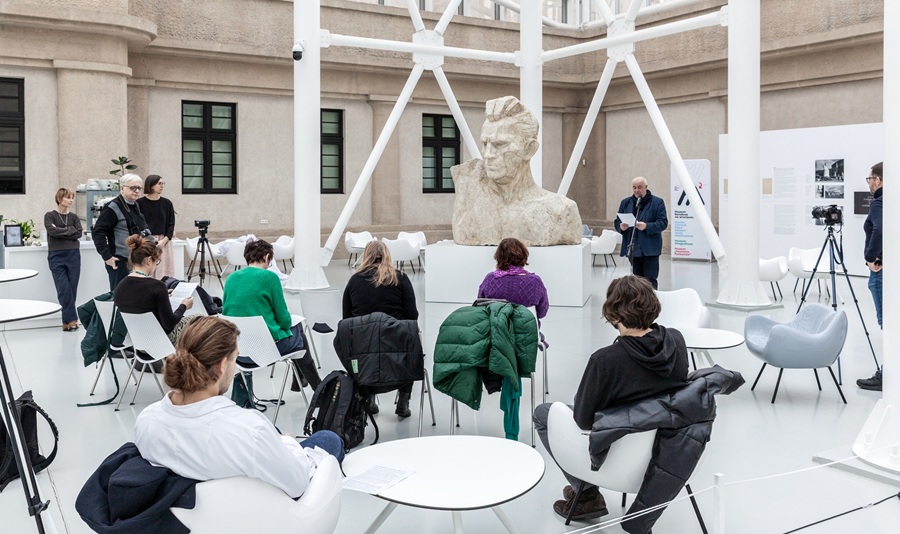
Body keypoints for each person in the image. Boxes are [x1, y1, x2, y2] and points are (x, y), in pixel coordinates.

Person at [532, 275, 689, 521]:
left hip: (621, 454)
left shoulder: (605, 360)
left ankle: (586, 495)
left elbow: (583, 420)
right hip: (667, 450)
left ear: (614, 314)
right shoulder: (676, 341)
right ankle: (584, 492)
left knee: (544, 413)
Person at [134, 316, 344, 499]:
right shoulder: (250, 430)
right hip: (262, 511)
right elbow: (298, 483)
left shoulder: (147, 420)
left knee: (275, 434)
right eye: (235, 359)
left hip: (195, 511)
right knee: (330, 440)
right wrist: (288, 443)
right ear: (223, 365)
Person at [451, 95, 582, 246]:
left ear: (529, 149)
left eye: (499, 144)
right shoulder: (469, 191)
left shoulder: (560, 210)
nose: (488, 155)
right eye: (485, 144)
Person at [223, 239, 321, 392]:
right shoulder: (270, 278)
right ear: (267, 257)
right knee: (299, 331)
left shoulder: (231, 278)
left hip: (238, 351)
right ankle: (318, 388)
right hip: (265, 351)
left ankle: (300, 379)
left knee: (296, 332)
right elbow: (284, 320)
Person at [343, 240, 418, 417]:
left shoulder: (354, 281)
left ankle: (368, 397)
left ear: (365, 256)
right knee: (413, 343)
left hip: (363, 347)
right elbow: (412, 316)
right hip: (396, 344)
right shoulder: (400, 278)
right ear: (387, 256)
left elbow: (347, 319)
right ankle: (403, 399)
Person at [114, 234, 193, 344]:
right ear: (148, 260)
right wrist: (184, 305)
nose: (156, 266)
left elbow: (140, 301)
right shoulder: (157, 286)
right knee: (199, 319)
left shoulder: (120, 286)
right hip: (161, 342)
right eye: (157, 262)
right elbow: (169, 323)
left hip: (137, 342)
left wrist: (162, 296)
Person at [477, 237, 549, 343]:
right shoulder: (535, 282)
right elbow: (542, 312)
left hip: (495, 336)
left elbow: (480, 307)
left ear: (499, 257)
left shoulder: (490, 280)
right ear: (523, 255)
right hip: (527, 336)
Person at [92, 174, 151, 291]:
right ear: (122, 189)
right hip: (120, 261)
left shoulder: (135, 205)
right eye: (133, 188)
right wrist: (107, 256)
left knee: (135, 296)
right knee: (119, 296)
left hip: (136, 260)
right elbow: (98, 232)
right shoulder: (112, 207)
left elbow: (142, 227)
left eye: (139, 188)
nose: (137, 191)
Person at [615, 176, 668, 289]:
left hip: (650, 249)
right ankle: (639, 304)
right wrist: (621, 227)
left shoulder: (657, 202)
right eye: (634, 187)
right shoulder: (626, 203)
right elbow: (617, 221)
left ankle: (652, 304)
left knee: (650, 281)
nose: (636, 190)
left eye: (639, 187)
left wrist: (646, 226)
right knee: (637, 281)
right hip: (633, 249)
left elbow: (663, 223)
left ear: (646, 187)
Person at [858, 161, 883, 392]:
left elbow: (879, 230)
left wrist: (870, 257)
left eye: (869, 179)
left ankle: (887, 374)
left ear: (879, 180)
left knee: (888, 322)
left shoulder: (879, 203)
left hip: (882, 272)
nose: (868, 183)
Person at [44, 188, 83, 331]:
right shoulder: (49, 216)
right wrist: (70, 230)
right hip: (56, 255)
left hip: (73, 255)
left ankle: (66, 323)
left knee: (72, 288)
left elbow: (79, 233)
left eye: (72, 197)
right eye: (68, 198)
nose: (71, 200)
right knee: (63, 288)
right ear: (60, 199)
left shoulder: (74, 217)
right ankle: (72, 319)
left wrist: (62, 231)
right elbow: (52, 231)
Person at [137, 174, 176, 280]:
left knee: (165, 272)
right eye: (159, 183)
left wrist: (163, 241)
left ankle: (165, 292)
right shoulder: (139, 203)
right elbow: (138, 224)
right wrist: (148, 240)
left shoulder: (167, 203)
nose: (162, 186)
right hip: (146, 241)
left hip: (164, 241)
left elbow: (171, 224)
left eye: (163, 183)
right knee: (147, 269)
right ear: (151, 185)